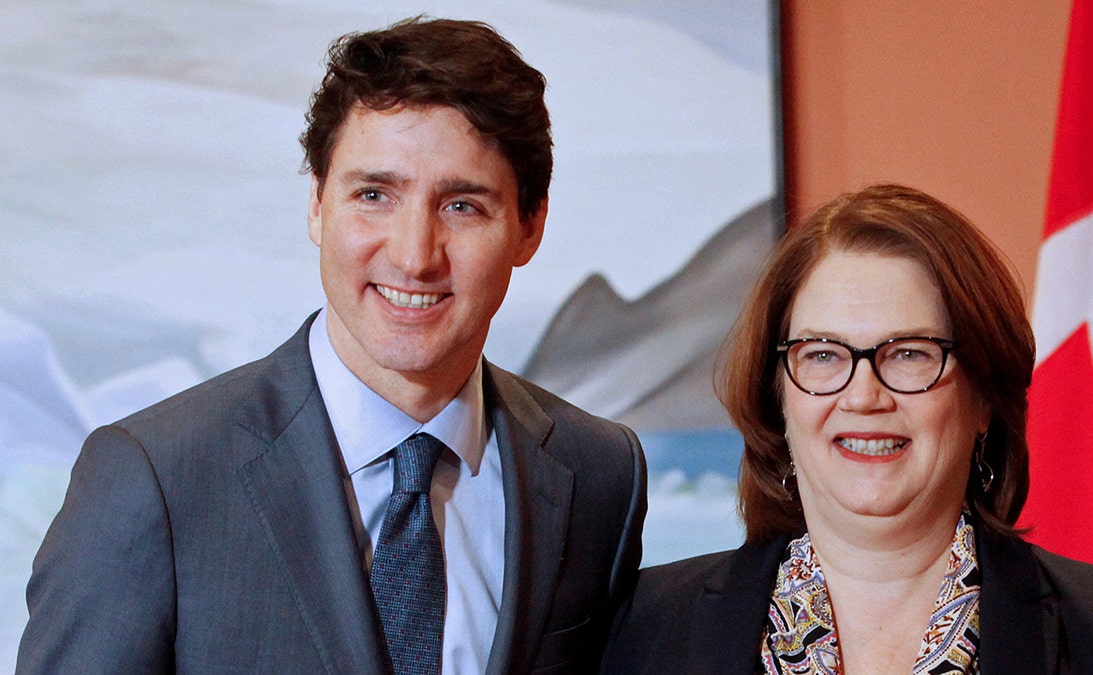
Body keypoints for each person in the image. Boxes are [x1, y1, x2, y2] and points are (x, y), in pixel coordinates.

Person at [18, 17, 646, 674]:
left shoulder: (601, 474)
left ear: (530, 226)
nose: (414, 255)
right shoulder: (154, 479)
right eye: (374, 195)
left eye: (462, 205)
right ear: (317, 203)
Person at [600, 184, 1093, 674]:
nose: (863, 395)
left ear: (983, 400)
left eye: (910, 354)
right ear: (777, 397)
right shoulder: (646, 631)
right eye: (823, 355)